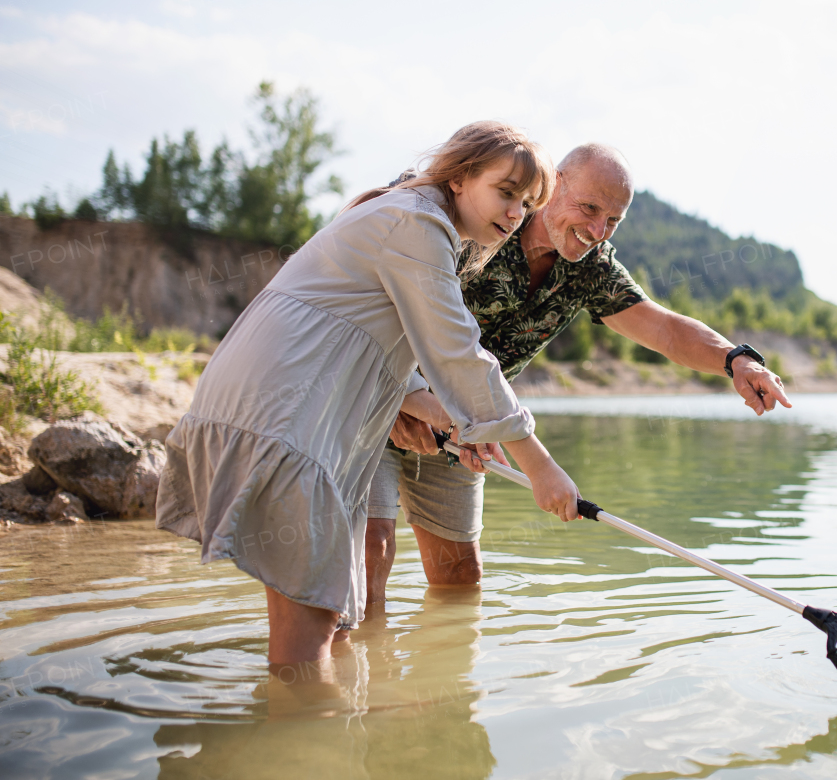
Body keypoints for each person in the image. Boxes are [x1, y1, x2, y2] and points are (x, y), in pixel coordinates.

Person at [155, 121, 582, 667]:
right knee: (308, 648)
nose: (517, 212)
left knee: (329, 628)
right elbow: (458, 354)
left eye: (526, 202)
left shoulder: (410, 216)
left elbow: (375, 338)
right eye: (505, 192)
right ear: (459, 177)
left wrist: (448, 418)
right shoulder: (416, 222)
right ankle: (306, 737)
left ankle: (318, 739)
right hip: (286, 421)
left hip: (286, 416)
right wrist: (539, 465)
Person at [365, 143, 792, 599]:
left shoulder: (591, 267)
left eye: (612, 221)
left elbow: (664, 329)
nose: (596, 230)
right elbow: (380, 303)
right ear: (554, 183)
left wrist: (735, 359)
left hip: (471, 426)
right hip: (376, 396)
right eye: (589, 208)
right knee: (372, 554)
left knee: (459, 585)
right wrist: (402, 402)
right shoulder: (484, 219)